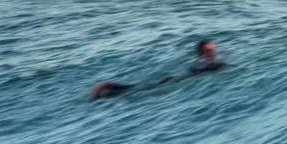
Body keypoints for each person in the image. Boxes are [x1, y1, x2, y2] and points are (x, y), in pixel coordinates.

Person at [89, 40, 227, 99]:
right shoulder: (202, 62)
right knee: (137, 90)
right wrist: (221, 66)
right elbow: (203, 68)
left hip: (173, 79)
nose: (214, 51)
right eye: (210, 50)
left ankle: (107, 89)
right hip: (174, 80)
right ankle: (106, 88)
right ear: (202, 53)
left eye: (214, 48)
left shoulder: (200, 62)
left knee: (137, 88)